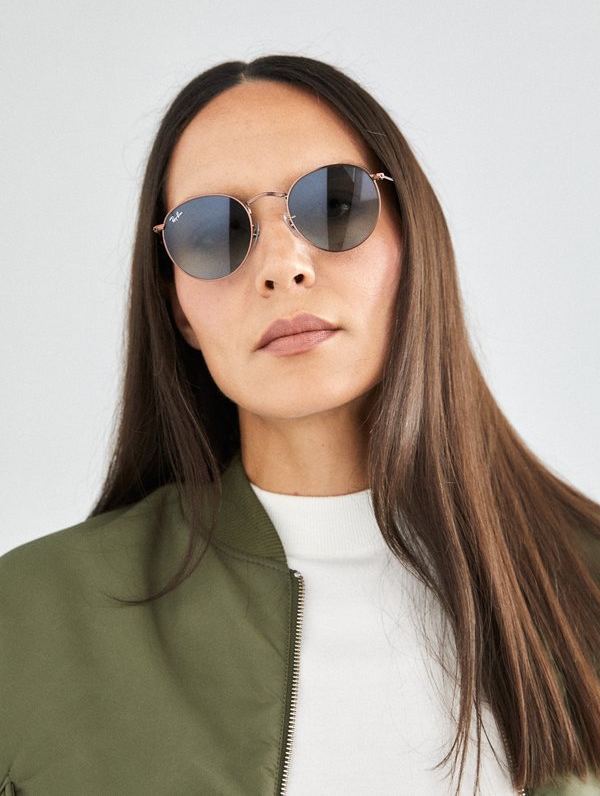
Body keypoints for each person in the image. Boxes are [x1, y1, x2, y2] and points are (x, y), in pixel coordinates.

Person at [0, 56, 599, 796]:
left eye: (334, 204)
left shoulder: (588, 587)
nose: (283, 267)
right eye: (213, 232)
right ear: (178, 307)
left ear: (413, 242)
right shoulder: (33, 622)